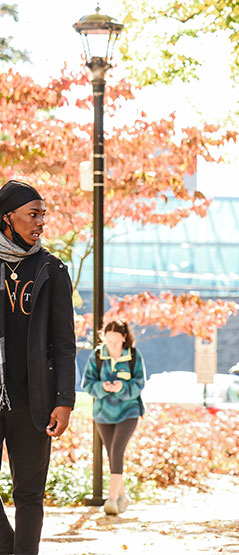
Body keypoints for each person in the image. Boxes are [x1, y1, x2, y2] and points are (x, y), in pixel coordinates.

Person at [0, 179, 75, 554]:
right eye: (32, 214)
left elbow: (64, 344)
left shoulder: (52, 270)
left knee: (29, 494)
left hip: (34, 399)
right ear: (7, 218)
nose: (41, 222)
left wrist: (64, 400)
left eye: (43, 214)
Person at [82, 320, 146, 515]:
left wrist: (122, 388)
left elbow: (140, 383)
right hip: (103, 413)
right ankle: (123, 497)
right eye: (108, 341)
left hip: (129, 411)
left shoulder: (133, 356)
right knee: (111, 453)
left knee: (117, 450)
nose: (112, 345)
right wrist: (102, 387)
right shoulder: (97, 356)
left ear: (124, 338)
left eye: (116, 341)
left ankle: (112, 500)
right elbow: (87, 383)